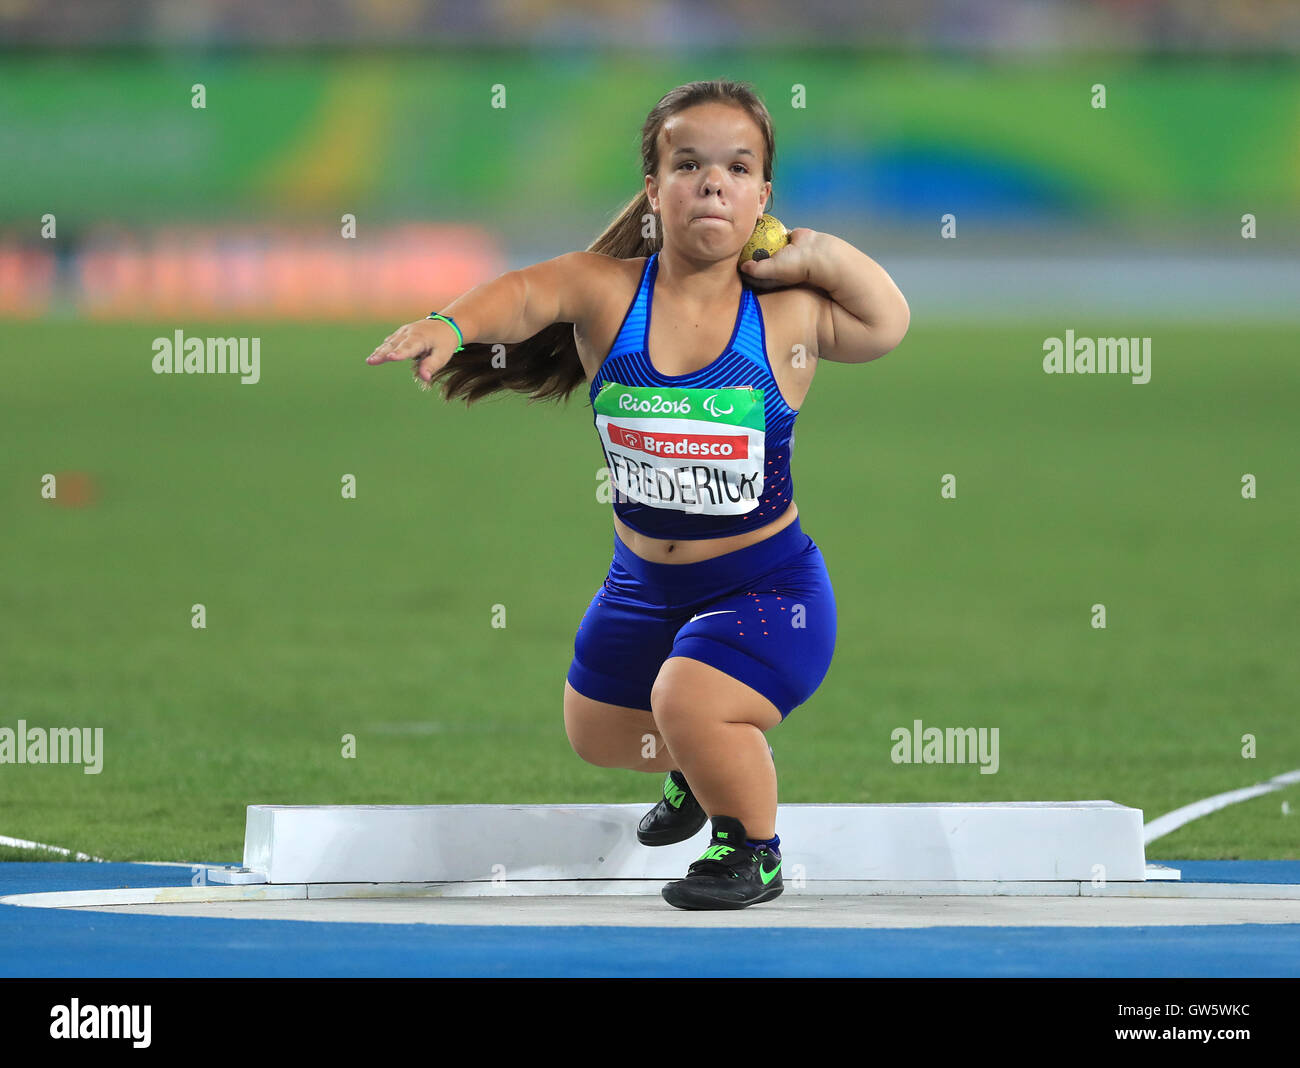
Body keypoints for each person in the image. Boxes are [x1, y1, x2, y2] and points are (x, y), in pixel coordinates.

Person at [366, 79, 909, 910]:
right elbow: (521, 296)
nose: (713, 183)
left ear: (763, 194)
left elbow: (887, 323)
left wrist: (816, 253)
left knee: (687, 700)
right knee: (599, 735)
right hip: (641, 585)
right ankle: (700, 764)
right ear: (654, 188)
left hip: (768, 590)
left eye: (738, 167)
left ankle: (750, 850)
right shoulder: (606, 292)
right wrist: (450, 324)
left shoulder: (790, 312)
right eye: (688, 164)